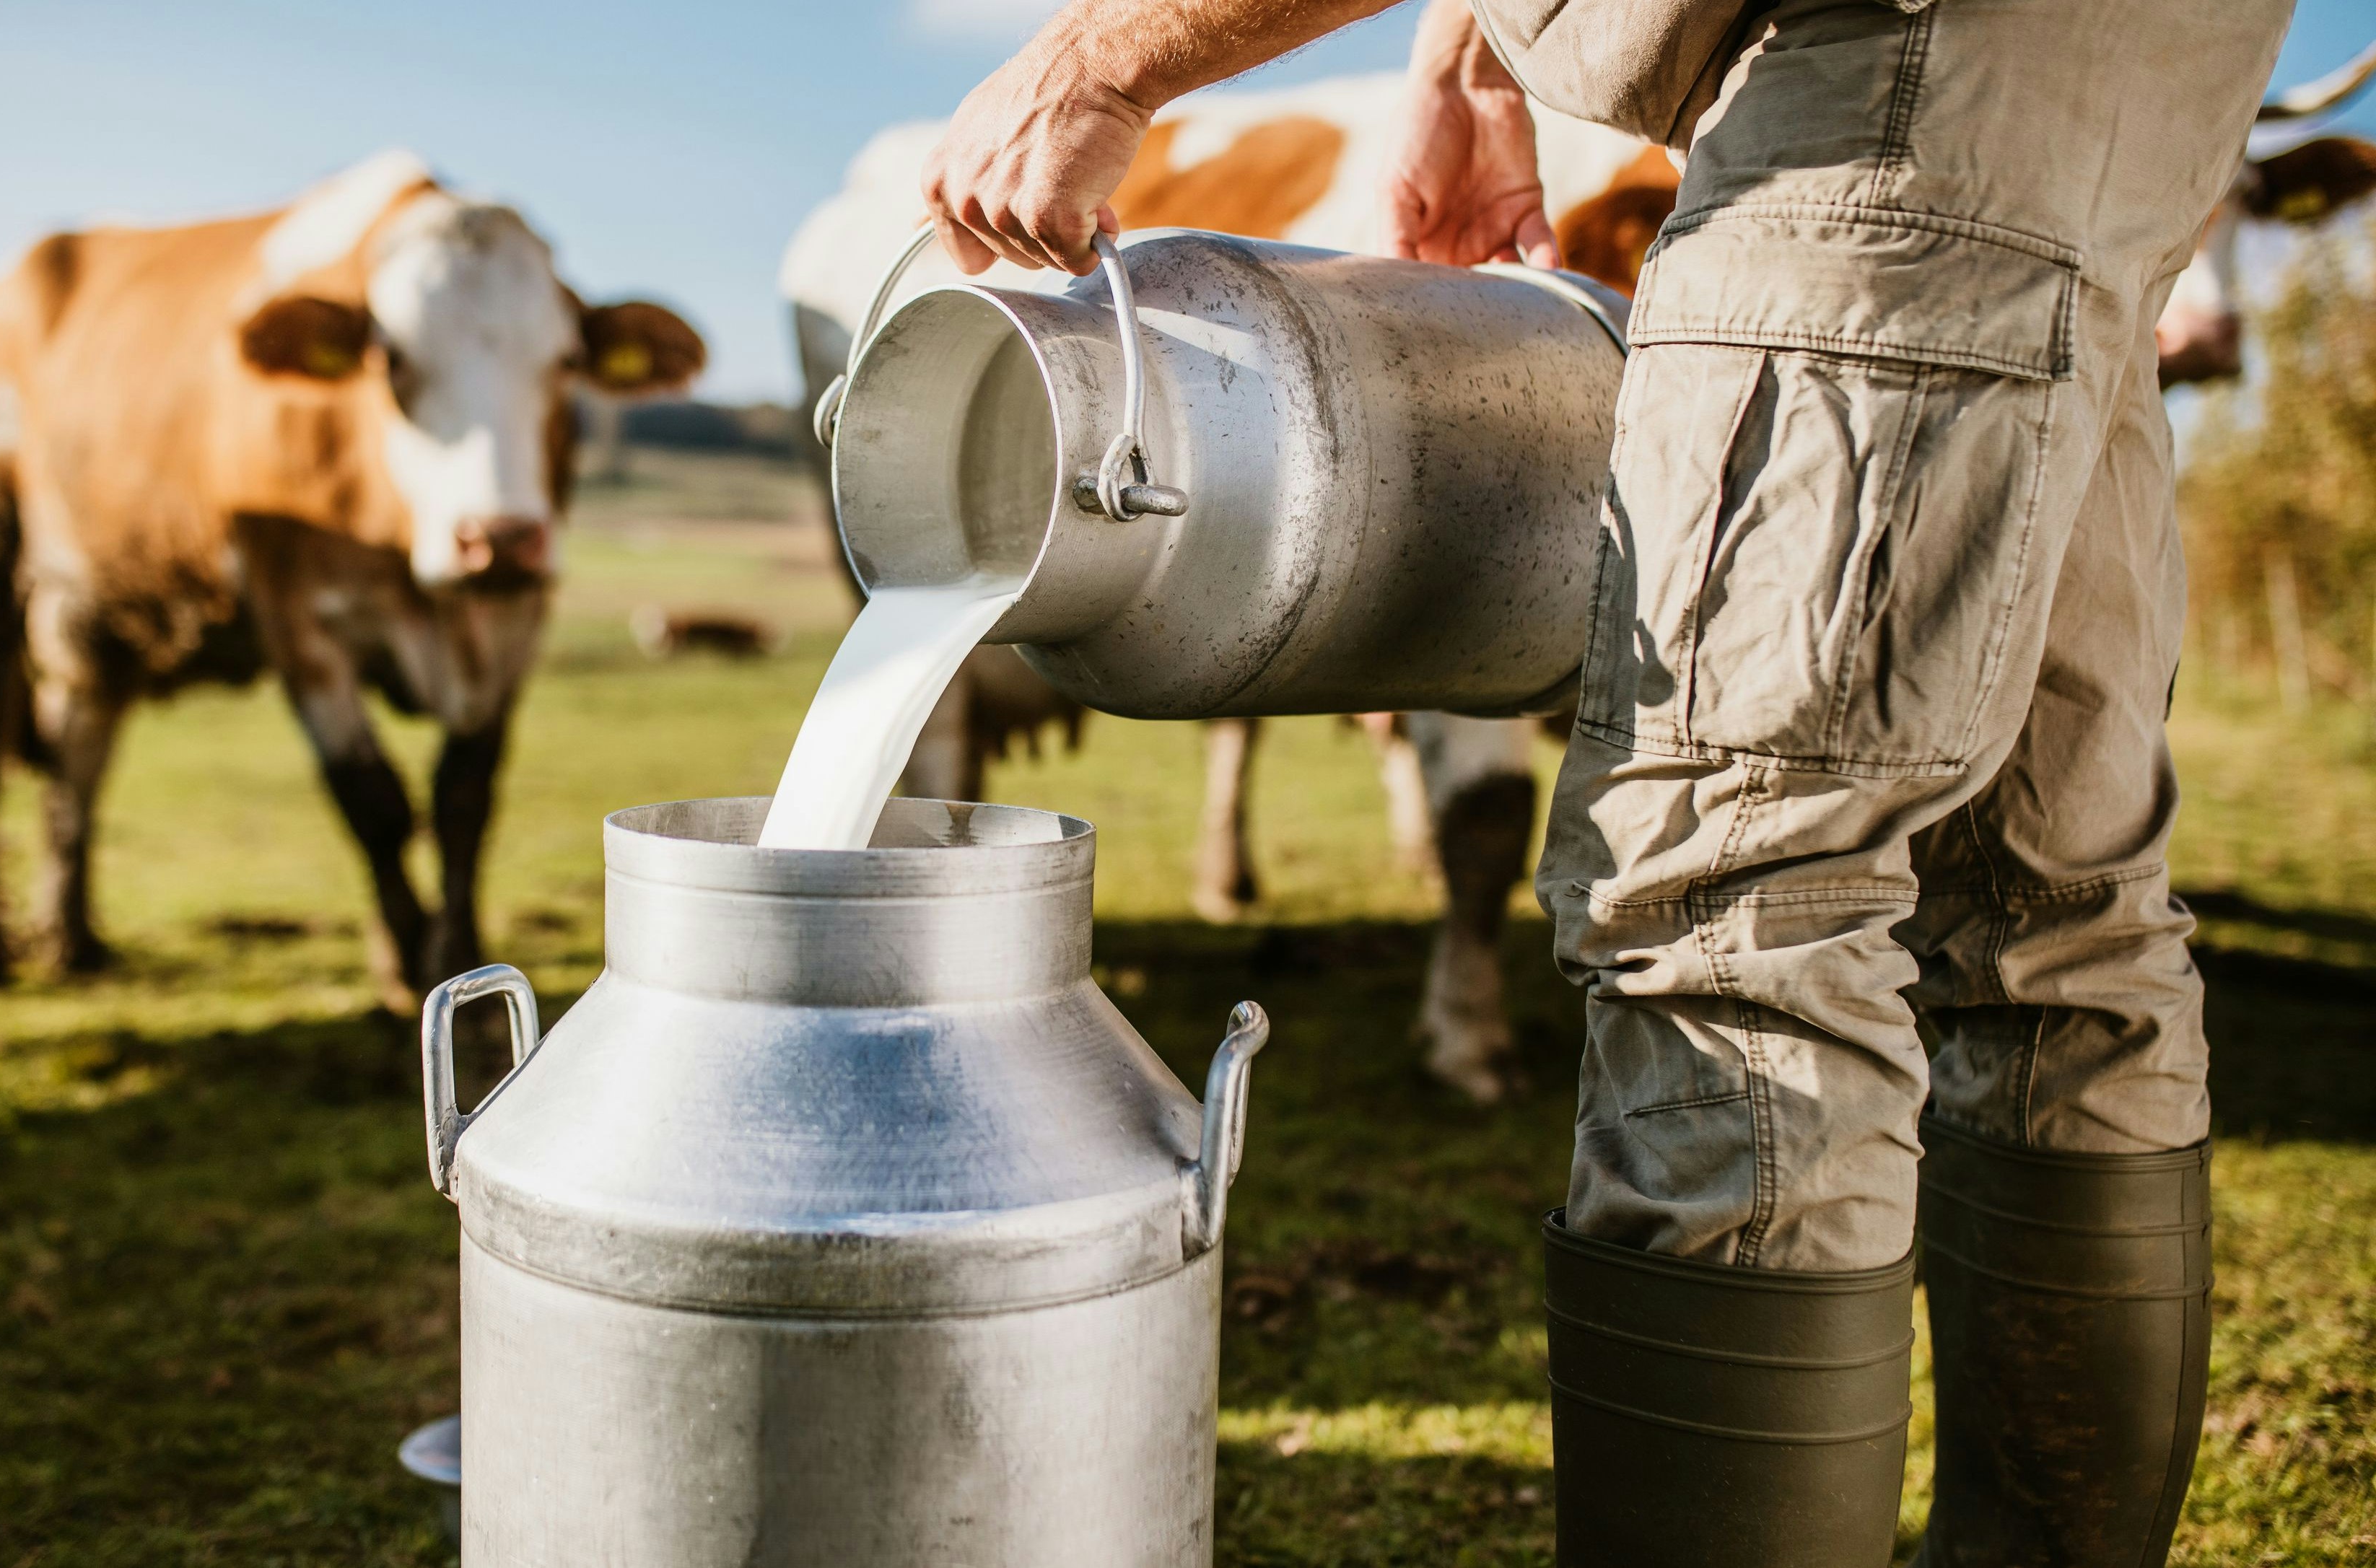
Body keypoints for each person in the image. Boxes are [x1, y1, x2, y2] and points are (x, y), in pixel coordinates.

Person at [920, 1, 2293, 1563]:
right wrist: (1465, 61)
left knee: (1734, 906)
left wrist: (1099, 55)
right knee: (2046, 906)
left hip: (1875, 82)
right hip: (2127, 90)